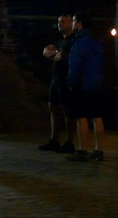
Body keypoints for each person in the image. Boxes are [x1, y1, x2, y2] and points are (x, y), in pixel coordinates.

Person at [66, 13, 106, 162]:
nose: (72, 23)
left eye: (74, 21)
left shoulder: (79, 42)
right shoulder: (97, 42)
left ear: (79, 23)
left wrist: (71, 82)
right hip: (96, 83)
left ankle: (82, 149)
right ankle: (98, 150)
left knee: (81, 117)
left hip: (82, 84)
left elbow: (75, 65)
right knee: (96, 116)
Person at [38, 15, 76, 153]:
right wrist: (53, 54)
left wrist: (56, 54)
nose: (59, 24)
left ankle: (69, 143)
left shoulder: (74, 40)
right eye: (58, 21)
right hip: (56, 78)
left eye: (63, 21)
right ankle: (54, 140)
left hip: (66, 79)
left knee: (67, 111)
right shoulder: (60, 41)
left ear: (71, 23)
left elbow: (62, 56)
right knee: (53, 107)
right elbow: (52, 54)